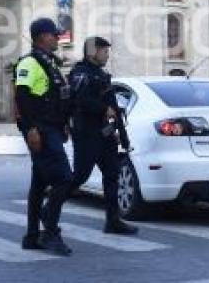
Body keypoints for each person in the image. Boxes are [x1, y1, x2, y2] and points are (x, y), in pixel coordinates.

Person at [14, 17, 74, 256]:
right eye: (53, 34)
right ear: (41, 37)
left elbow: (56, 97)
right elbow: (23, 96)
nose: (57, 37)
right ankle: (49, 232)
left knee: (39, 185)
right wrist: (31, 129)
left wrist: (64, 125)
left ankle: (31, 236)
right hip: (41, 130)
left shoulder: (48, 62)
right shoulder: (30, 63)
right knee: (64, 179)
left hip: (52, 129)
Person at [68, 36, 138, 235]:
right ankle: (50, 209)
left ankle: (113, 221)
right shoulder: (80, 73)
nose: (107, 55)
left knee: (112, 174)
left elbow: (113, 106)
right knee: (80, 176)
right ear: (92, 52)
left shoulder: (101, 74)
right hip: (86, 134)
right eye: (104, 51)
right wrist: (103, 109)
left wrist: (120, 133)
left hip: (104, 134)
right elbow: (79, 101)